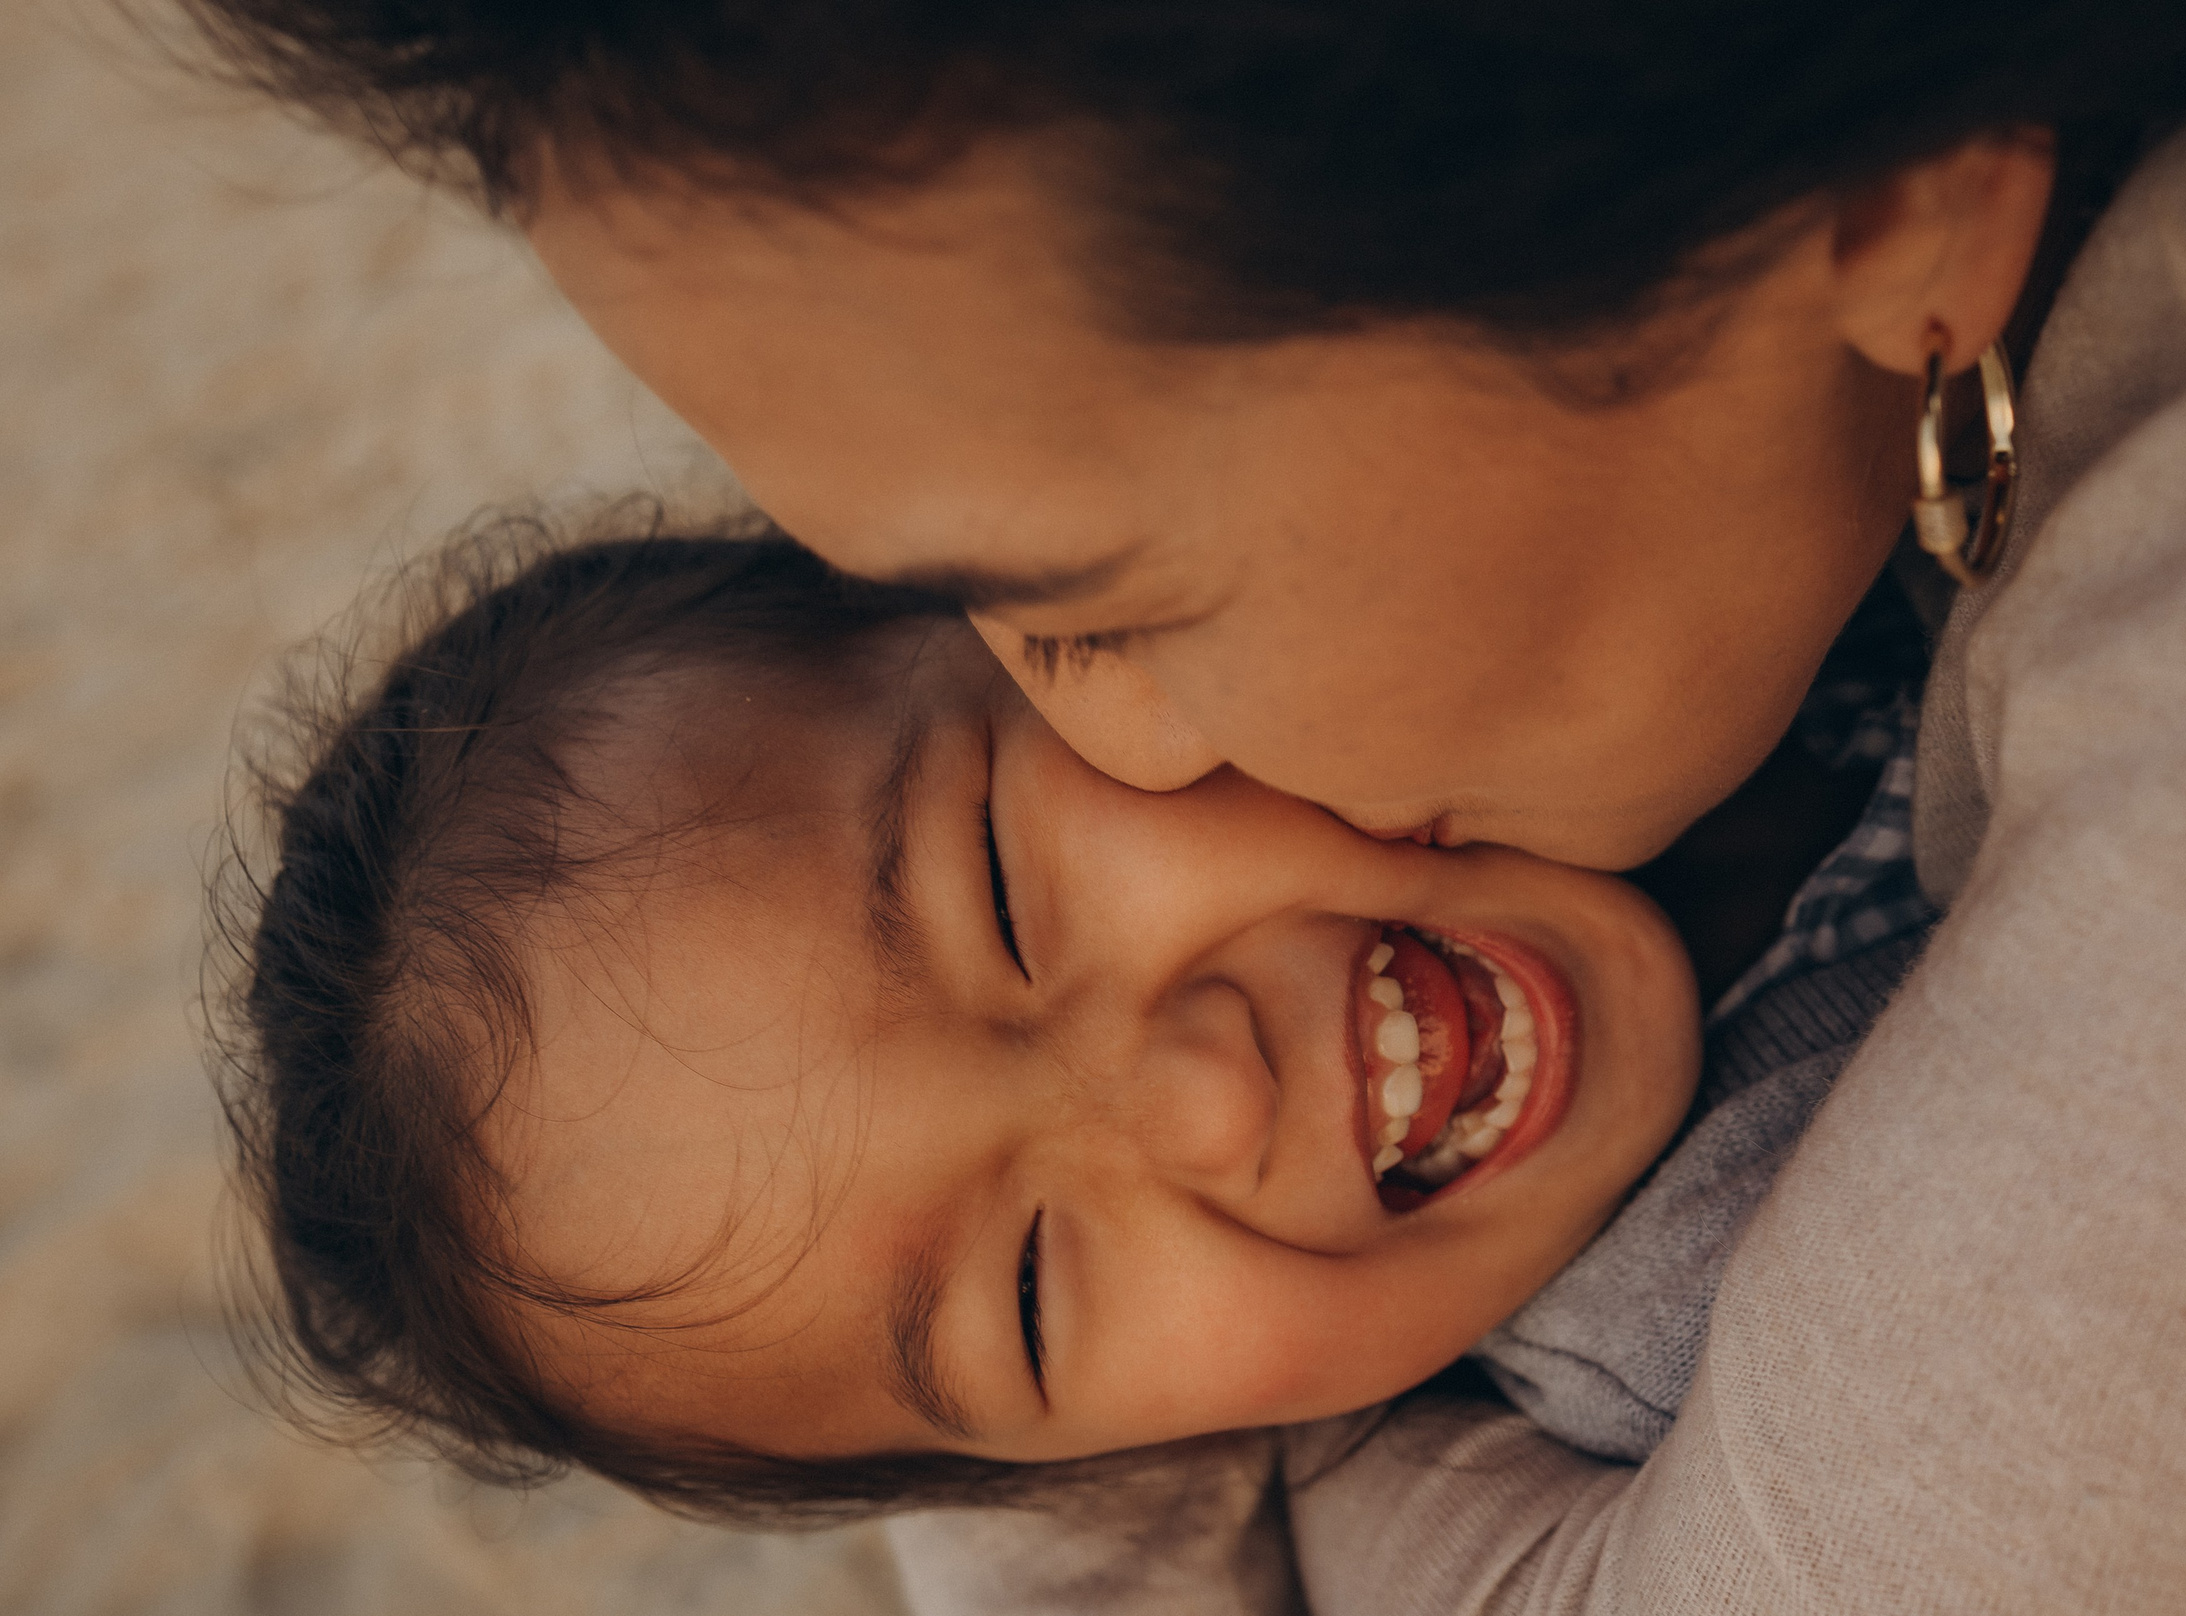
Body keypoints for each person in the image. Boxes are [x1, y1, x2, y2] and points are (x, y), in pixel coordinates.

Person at [189, 1, 2186, 1616]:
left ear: (1836, 197)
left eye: (1079, 606)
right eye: (1026, 1298)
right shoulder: (1817, 515)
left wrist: (1290, 1487)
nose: (1211, 1097)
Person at [224, 514, 1926, 1528]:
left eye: (999, 887)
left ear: (1041, 622)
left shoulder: (1690, 482)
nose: (1203, 1095)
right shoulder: (1751, 1377)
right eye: (1030, 1301)